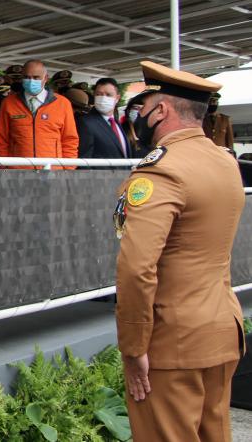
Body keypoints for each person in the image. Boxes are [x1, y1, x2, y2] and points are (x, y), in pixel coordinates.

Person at [114, 60, 244, 442]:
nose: (138, 115)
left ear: (161, 110)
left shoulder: (161, 171)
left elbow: (138, 267)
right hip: (221, 328)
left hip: (173, 341)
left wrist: (135, 347)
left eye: (143, 106)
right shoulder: (224, 161)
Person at [0, 59, 78, 167]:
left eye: (36, 77)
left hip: (52, 172)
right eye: (27, 77)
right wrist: (4, 168)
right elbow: (1, 139)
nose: (31, 81)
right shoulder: (9, 103)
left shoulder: (62, 103)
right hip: (18, 172)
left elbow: (70, 140)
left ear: (45, 78)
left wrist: (68, 169)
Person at [76, 78, 131, 160]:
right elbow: (84, 159)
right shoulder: (86, 123)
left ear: (117, 98)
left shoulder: (116, 122)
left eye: (108, 95)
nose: (103, 98)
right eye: (99, 94)